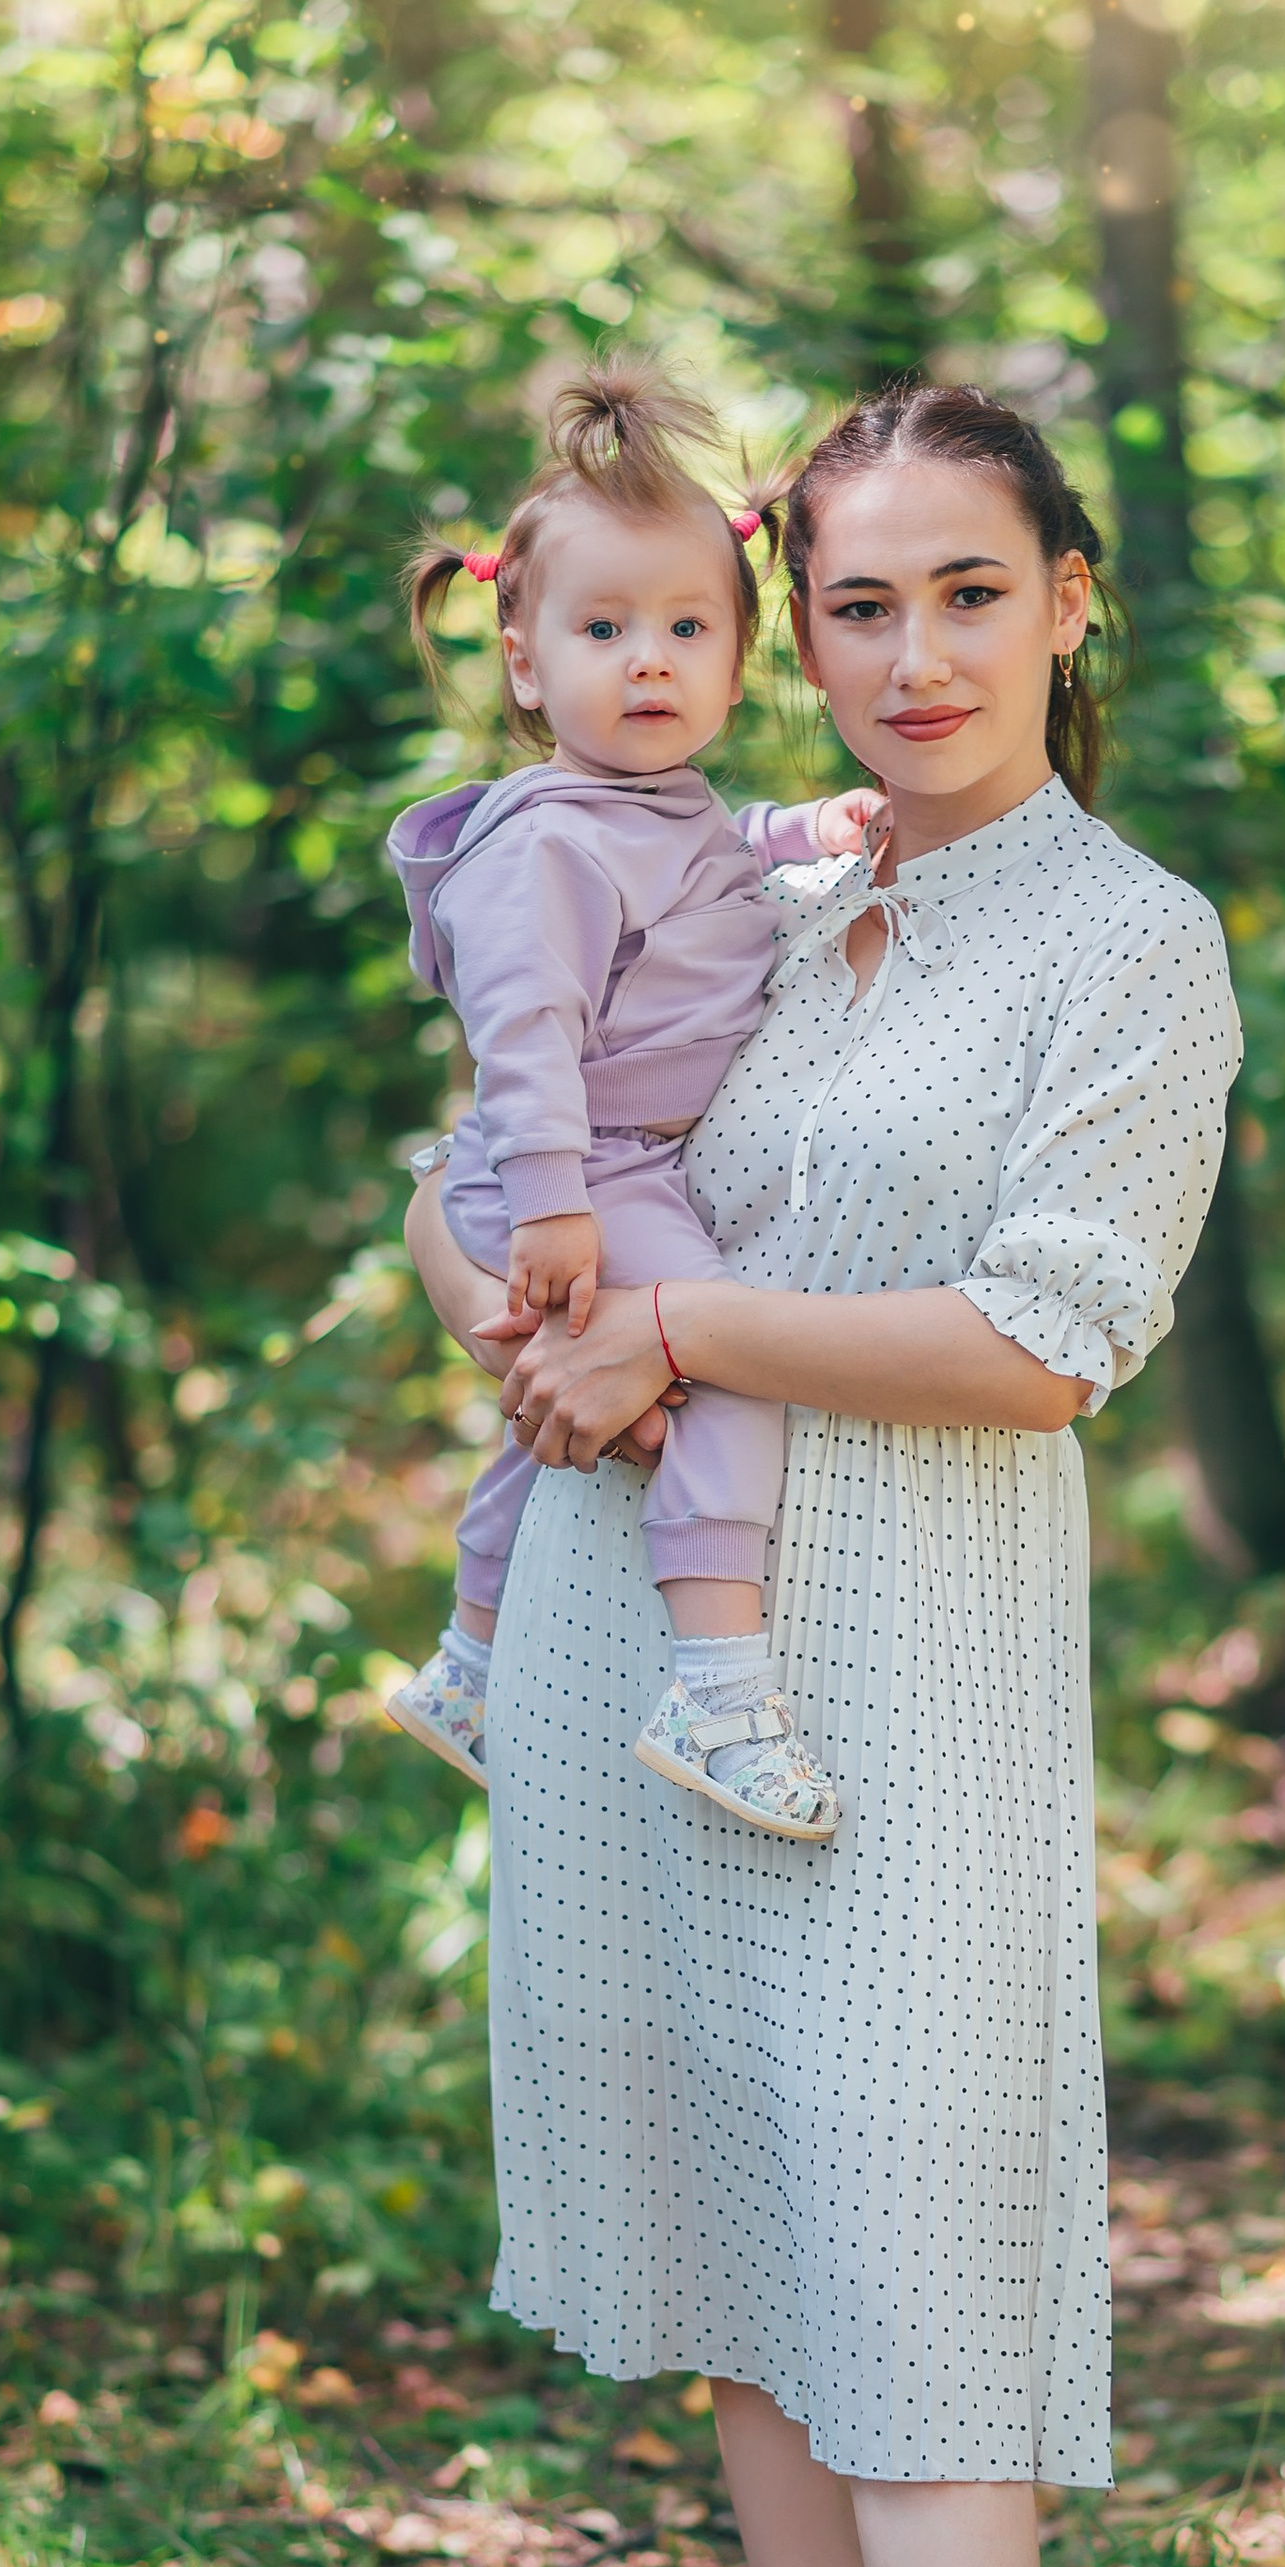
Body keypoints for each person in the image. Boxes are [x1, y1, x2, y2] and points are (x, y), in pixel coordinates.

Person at [405, 379, 1240, 2567]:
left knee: (924, 2311)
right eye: (858, 603)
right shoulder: (732, 868)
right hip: (635, 1674)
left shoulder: (1125, 941)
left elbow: (1043, 1341)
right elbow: (504, 1149)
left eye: (966, 593)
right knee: (760, 2291)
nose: (910, 656)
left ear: (1067, 601)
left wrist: (679, 1333)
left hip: (910, 1702)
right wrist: (508, 1300)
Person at [379, 364, 878, 1835]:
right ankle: (720, 1694)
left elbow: (716, 854)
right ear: (525, 663)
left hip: (607, 1164)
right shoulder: (542, 843)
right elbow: (524, 1034)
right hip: (577, 1166)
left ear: (737, 659)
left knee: (544, 1421)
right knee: (729, 1370)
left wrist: (808, 828)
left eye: (685, 629)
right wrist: (550, 1206)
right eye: (603, 631)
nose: (648, 662)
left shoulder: (661, 806)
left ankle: (470, 1663)